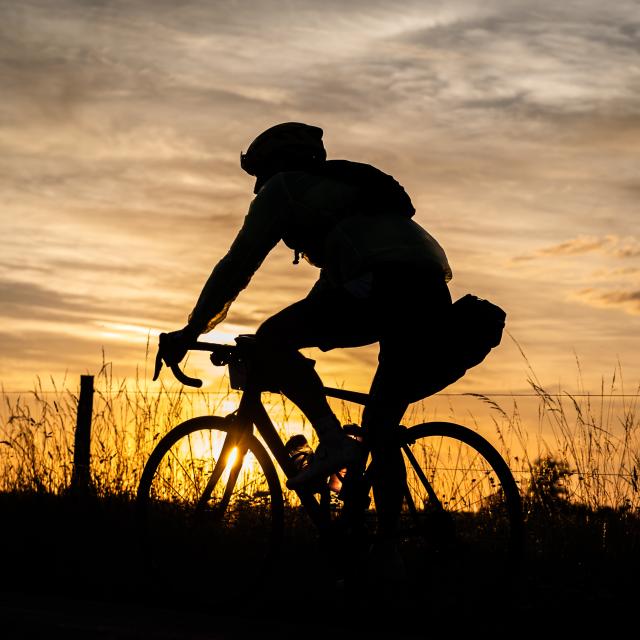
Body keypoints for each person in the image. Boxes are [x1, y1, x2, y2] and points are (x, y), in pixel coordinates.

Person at [156, 122, 453, 543]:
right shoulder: (343, 200)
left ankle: (333, 442)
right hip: (429, 295)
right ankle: (388, 558)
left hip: (382, 286)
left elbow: (237, 265)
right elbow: (331, 288)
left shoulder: (285, 189)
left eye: (260, 172)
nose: (258, 186)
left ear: (280, 165)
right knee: (381, 426)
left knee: (273, 335)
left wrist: (192, 330)